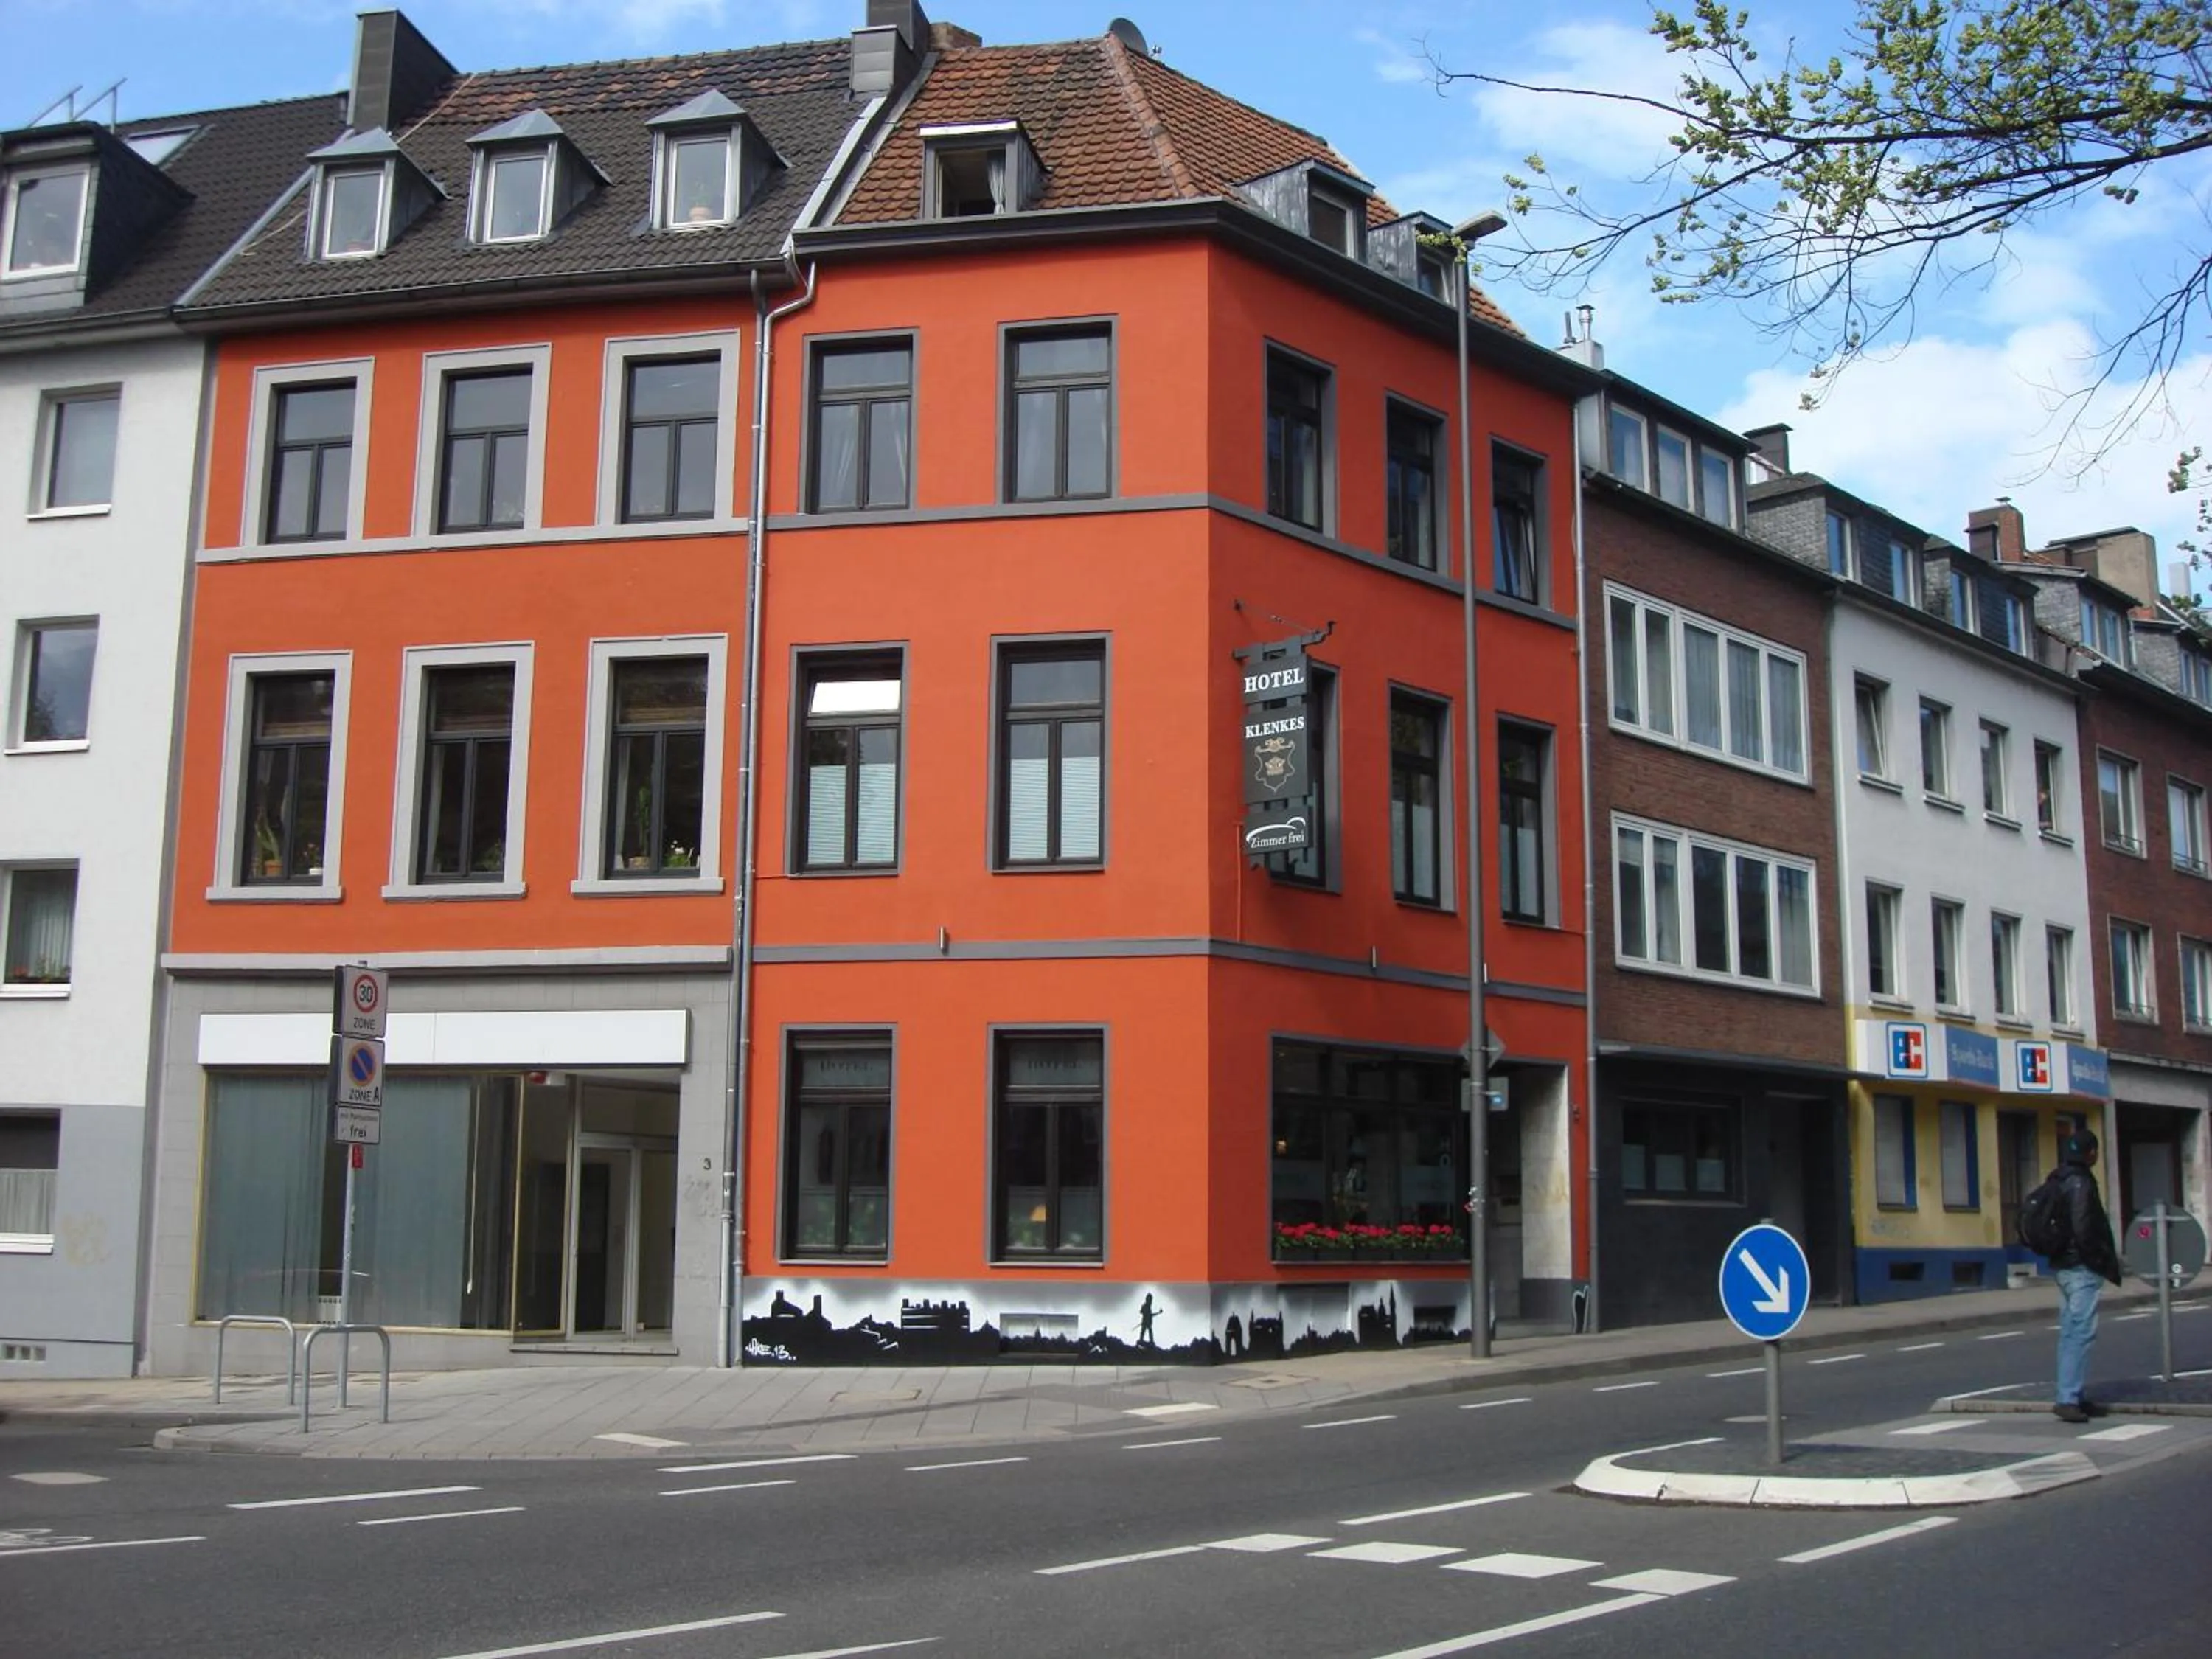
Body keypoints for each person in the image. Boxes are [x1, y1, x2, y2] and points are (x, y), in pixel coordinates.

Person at [2048, 1127, 2123, 1424]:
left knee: (2070, 1332)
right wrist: (2099, 1259)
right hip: (2081, 1268)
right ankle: (2068, 1398)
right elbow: (2083, 1226)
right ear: (2091, 1153)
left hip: (2063, 1266)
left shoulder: (2058, 1178)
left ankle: (2072, 1394)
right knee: (2080, 1333)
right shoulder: (2081, 1182)